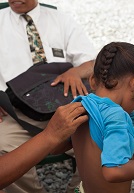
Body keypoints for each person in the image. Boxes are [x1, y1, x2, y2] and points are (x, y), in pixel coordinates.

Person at [0, 0, 96, 192]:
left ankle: (76, 190)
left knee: (100, 144)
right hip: (18, 113)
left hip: (65, 105)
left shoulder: (60, 19)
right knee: (4, 147)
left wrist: (75, 72)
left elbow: (93, 62)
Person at [71, 42, 134, 193]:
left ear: (92, 80)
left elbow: (58, 147)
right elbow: (113, 171)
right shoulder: (116, 116)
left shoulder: (81, 104)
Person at [0, 102, 88, 190]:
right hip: (19, 106)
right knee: (3, 145)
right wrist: (50, 136)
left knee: (93, 146)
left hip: (72, 103)